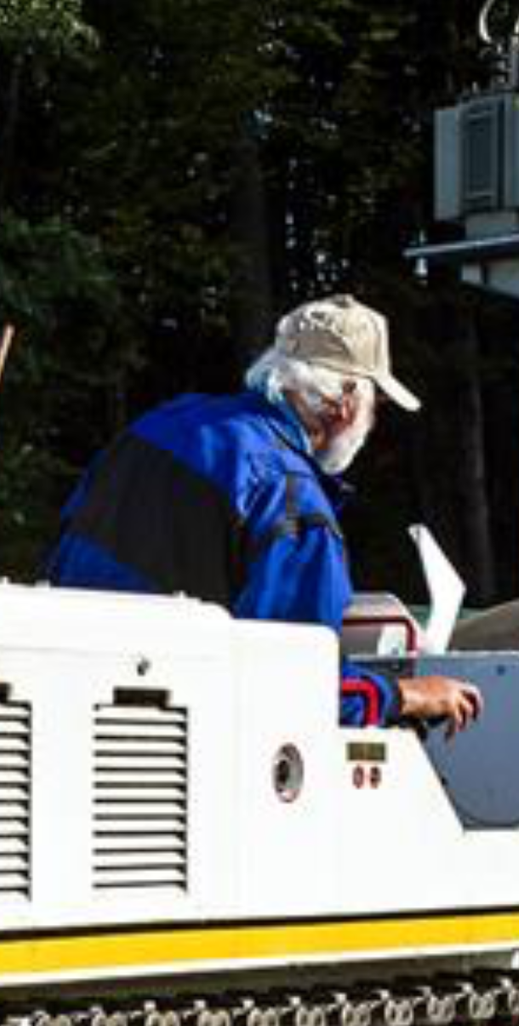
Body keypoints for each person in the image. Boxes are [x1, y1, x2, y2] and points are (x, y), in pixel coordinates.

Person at [45, 296, 483, 732]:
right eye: (376, 407)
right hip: (165, 735)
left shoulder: (161, 424)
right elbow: (297, 683)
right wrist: (407, 696)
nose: (371, 424)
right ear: (346, 403)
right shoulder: (293, 500)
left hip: (63, 696)